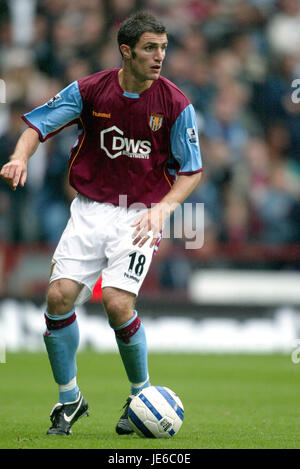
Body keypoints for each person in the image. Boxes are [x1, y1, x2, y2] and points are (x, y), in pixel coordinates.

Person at [0, 11, 202, 436]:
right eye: (150, 47)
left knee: (116, 303)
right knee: (57, 298)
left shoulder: (176, 103)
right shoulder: (90, 91)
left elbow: (191, 171)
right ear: (125, 51)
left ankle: (139, 396)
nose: (159, 56)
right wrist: (20, 156)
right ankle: (70, 399)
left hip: (139, 213)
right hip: (89, 209)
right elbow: (36, 126)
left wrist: (164, 209)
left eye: (164, 48)